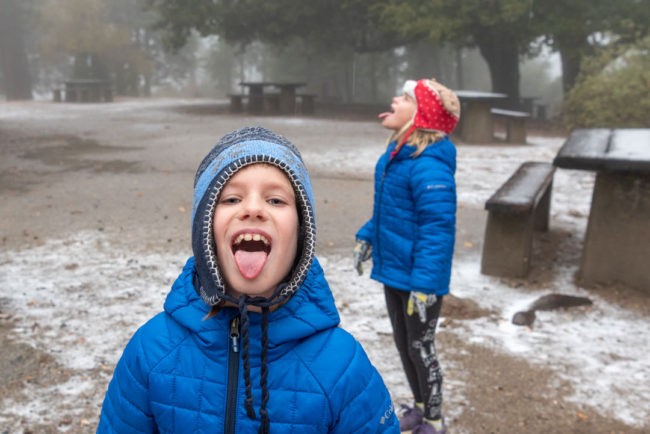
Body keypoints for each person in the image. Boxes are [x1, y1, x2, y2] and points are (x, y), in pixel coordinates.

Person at [98, 126, 399, 433]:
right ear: (205, 232)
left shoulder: (343, 367)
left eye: (276, 201)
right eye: (231, 199)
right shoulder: (151, 351)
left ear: (301, 234)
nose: (253, 209)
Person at [354, 78, 460, 434]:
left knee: (421, 348)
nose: (394, 99)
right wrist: (368, 236)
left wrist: (426, 285)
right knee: (404, 345)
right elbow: (391, 210)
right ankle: (418, 406)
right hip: (395, 272)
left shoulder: (429, 164)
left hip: (419, 281)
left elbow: (437, 228)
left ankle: (434, 419)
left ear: (423, 114)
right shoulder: (399, 155)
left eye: (404, 97)